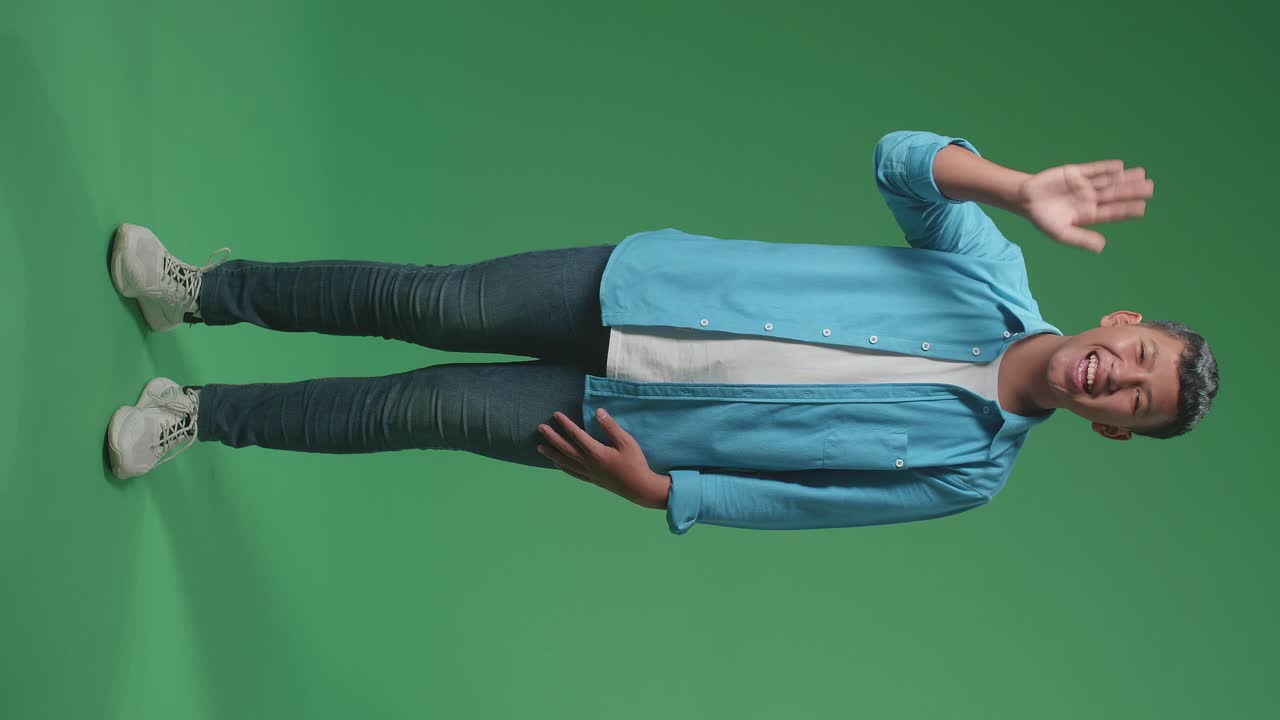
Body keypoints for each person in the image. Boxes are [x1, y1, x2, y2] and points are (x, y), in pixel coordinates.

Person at [104, 130, 1219, 535]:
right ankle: (197, 291)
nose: (1115, 379)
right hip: (634, 288)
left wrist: (664, 496)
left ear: (1112, 431)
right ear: (1121, 324)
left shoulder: (969, 475)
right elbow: (897, 160)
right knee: (424, 301)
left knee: (415, 408)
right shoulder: (990, 266)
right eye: (1137, 358)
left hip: (625, 420)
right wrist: (1017, 187)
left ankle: (197, 416)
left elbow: (803, 506)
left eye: (1132, 401)